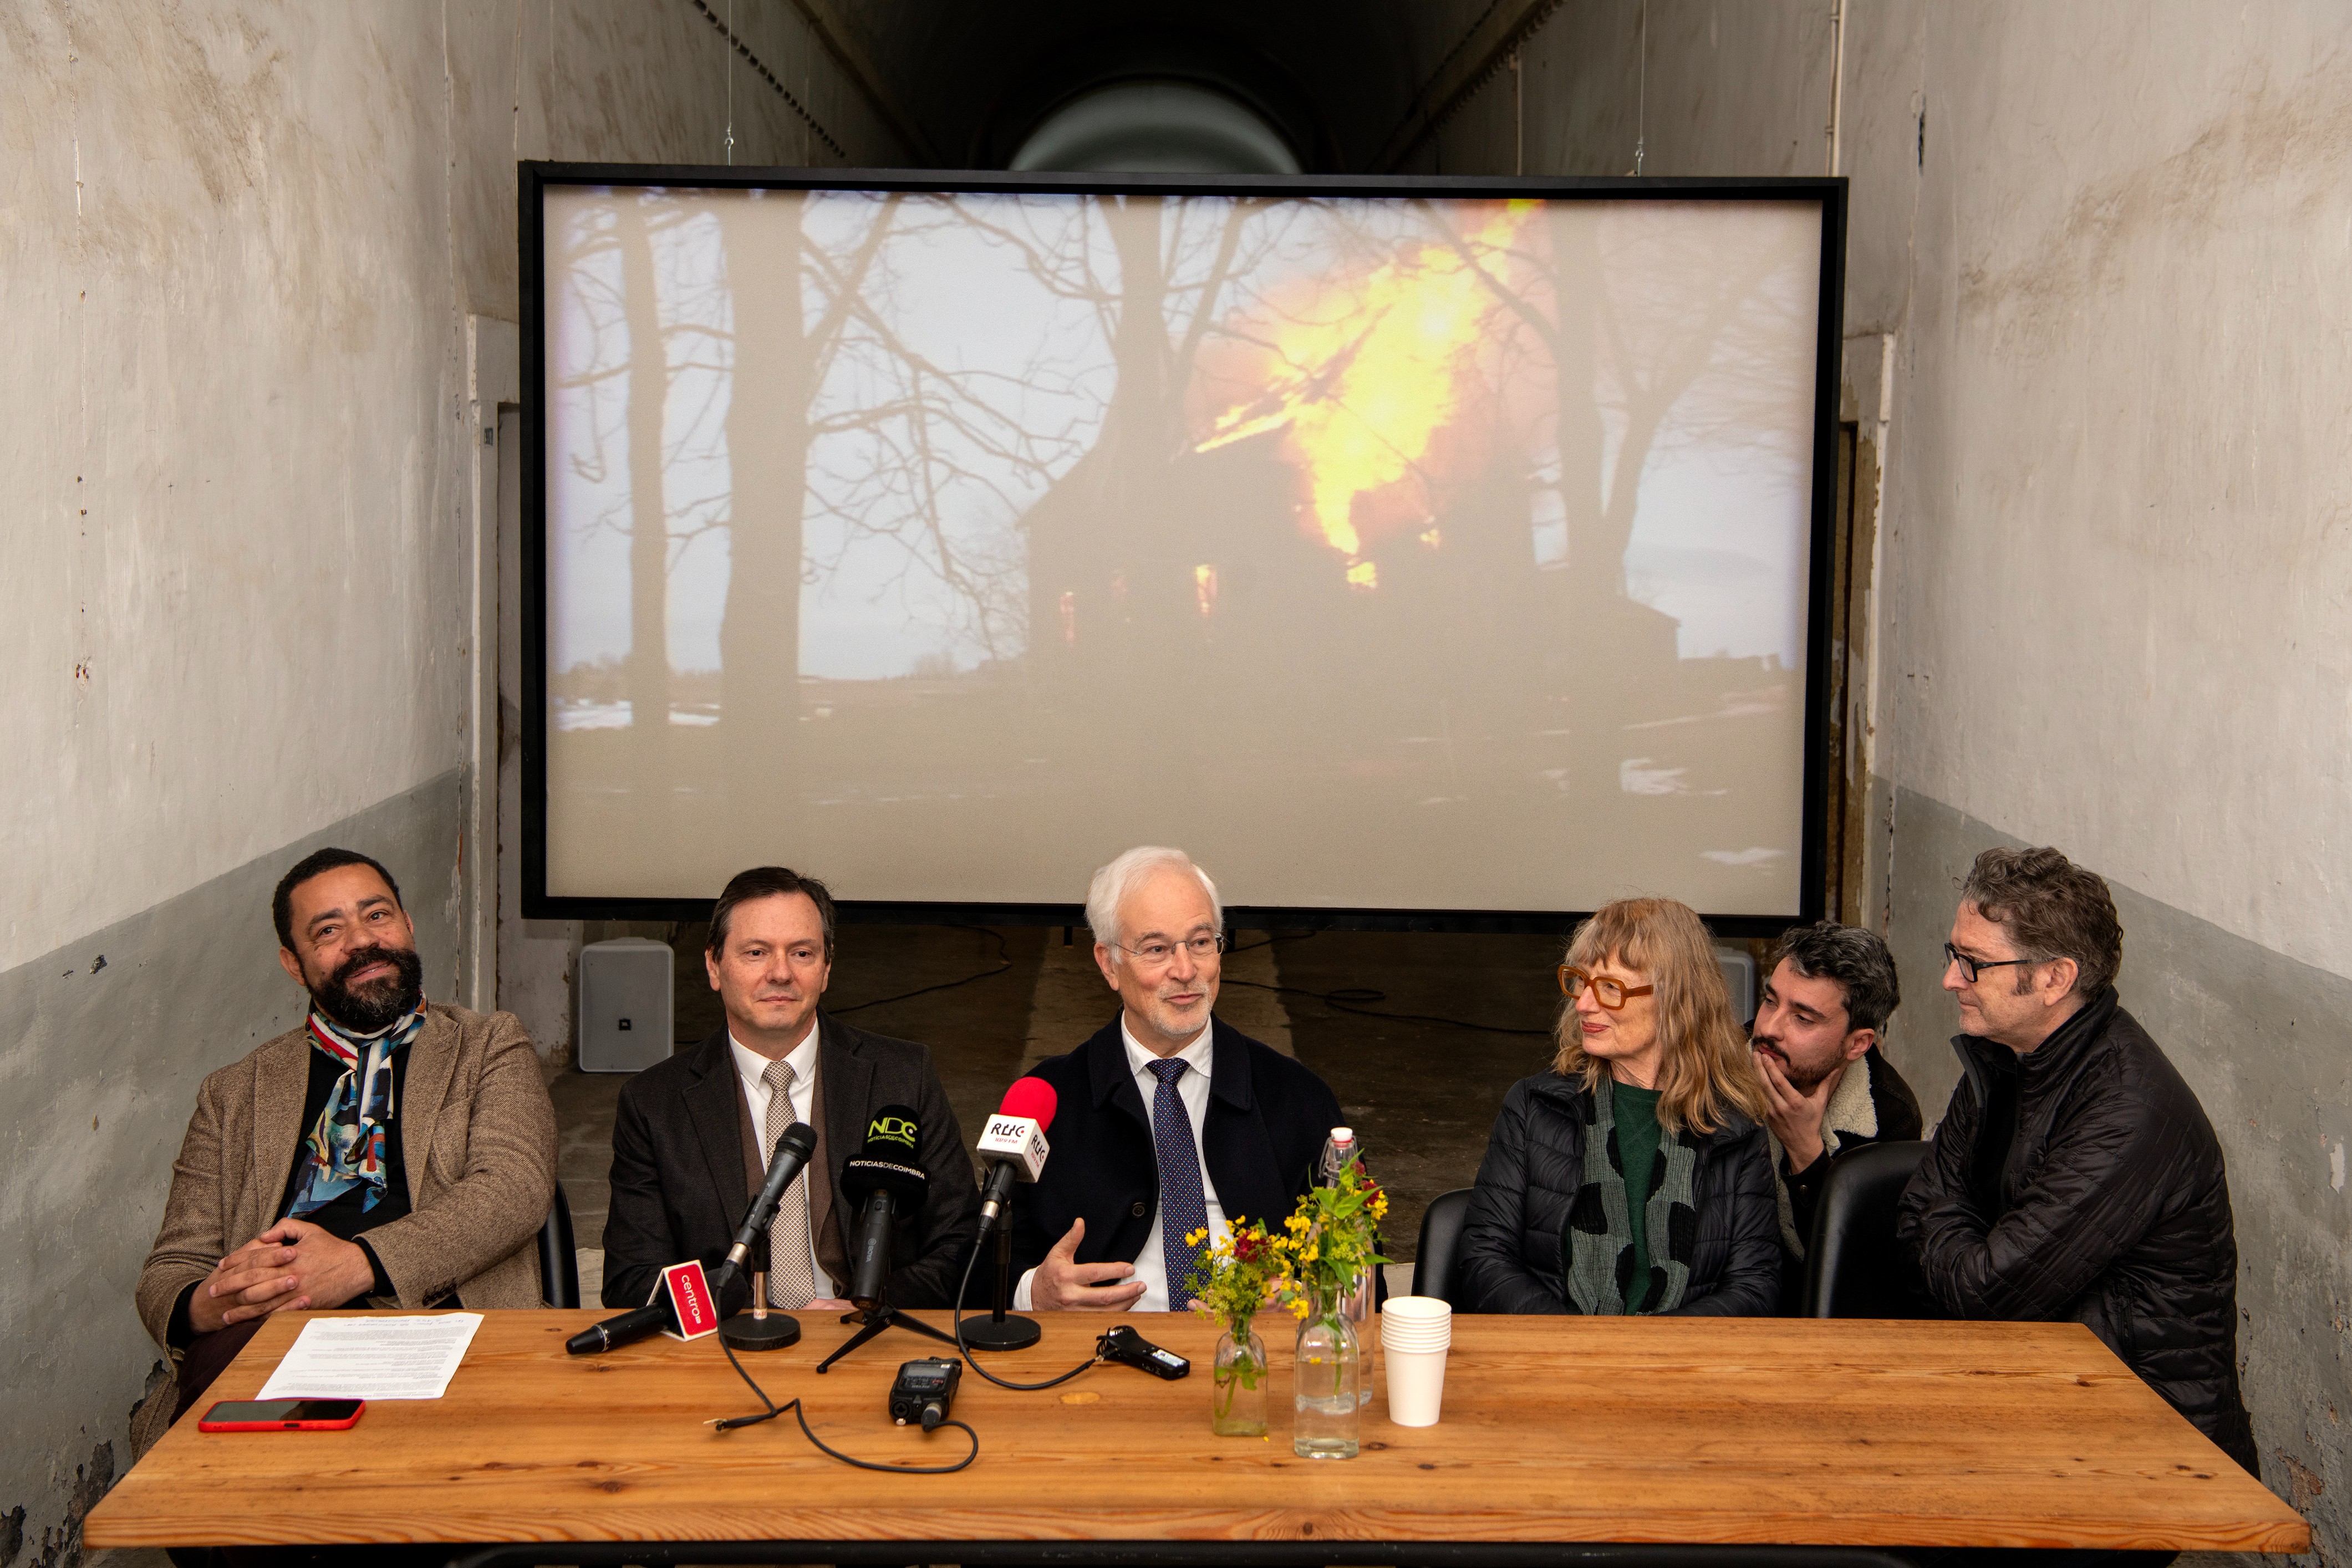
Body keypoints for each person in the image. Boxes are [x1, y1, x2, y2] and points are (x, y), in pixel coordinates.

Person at [133, 848, 557, 1453]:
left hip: (436, 1328)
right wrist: (215, 1303)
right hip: (268, 1342)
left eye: (377, 915)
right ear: (294, 963)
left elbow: (513, 1190)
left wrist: (358, 1264)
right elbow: (172, 1265)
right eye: (328, 931)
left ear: (408, 925)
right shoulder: (233, 1093)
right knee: (231, 1412)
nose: (362, 941)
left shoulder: (487, 1046)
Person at [1897, 847, 2257, 1473]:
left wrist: (1954, 1234)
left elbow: (1985, 1293)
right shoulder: (2006, 1053)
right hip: (2041, 1400)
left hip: (2146, 1444)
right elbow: (1916, 1208)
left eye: (1973, 963)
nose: (1951, 979)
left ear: (2055, 979)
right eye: (1952, 954)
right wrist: (1962, 1241)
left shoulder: (2129, 1111)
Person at [603, 866, 978, 1314]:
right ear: (714, 966)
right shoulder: (654, 1103)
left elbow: (962, 1243)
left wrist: (871, 1309)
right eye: (756, 952)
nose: (780, 973)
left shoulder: (903, 1077)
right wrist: (745, 1313)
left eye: (802, 953)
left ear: (826, 969)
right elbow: (632, 1281)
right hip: (727, 1340)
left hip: (870, 1337)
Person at [1002, 846, 1345, 1312]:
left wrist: (1306, 1299)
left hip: (1251, 1346)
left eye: (1201, 943)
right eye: (1157, 949)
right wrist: (1035, 1293)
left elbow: (1361, 1269)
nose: (1185, 971)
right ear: (1108, 963)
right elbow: (980, 1262)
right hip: (1096, 1347)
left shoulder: (1298, 1098)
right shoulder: (1047, 1099)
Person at [1458, 896, 1780, 1315]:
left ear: (1675, 1000)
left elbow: (1755, 1286)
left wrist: (1652, 1349)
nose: (1583, 1003)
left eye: (1610, 988)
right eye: (1581, 981)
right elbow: (1484, 1257)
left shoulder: (1735, 1128)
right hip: (1555, 1348)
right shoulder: (1535, 1106)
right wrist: (1574, 1342)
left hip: (1681, 1356)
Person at [1750, 920, 1923, 1263]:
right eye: (1770, 1001)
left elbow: (1857, 1264)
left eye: (1803, 1019)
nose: (1769, 1028)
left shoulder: (1891, 1115)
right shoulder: (1713, 1069)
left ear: (1858, 1044)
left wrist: (1806, 1152)